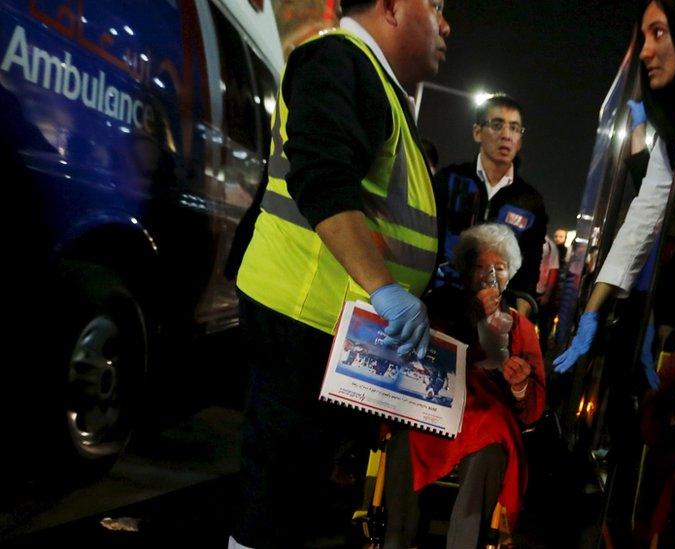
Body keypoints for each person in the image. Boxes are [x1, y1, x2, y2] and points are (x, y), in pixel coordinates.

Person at [229, 0, 450, 547]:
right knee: (271, 513)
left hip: (332, 333)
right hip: (303, 321)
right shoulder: (338, 60)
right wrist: (387, 290)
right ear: (392, 6)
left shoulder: (372, 79)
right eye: (438, 7)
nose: (446, 25)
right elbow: (321, 178)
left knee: (296, 509)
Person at [554, 0, 675, 374]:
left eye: (658, 33)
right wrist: (593, 311)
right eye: (644, 36)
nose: (646, 51)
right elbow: (645, 216)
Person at [384, 223, 546, 549]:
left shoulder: (522, 326)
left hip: (485, 420)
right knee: (405, 435)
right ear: (465, 271)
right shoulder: (439, 306)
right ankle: (397, 538)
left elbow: (533, 409)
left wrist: (519, 387)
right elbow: (421, 358)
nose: (489, 276)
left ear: (510, 274)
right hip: (433, 408)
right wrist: (470, 315)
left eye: (498, 268)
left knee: (491, 446)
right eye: (479, 267)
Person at [433, 94, 548, 317]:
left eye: (515, 128)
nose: (506, 135)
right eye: (497, 125)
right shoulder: (449, 180)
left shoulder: (531, 201)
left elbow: (530, 268)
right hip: (441, 305)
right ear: (477, 132)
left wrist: (517, 318)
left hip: (496, 316)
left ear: (520, 139)